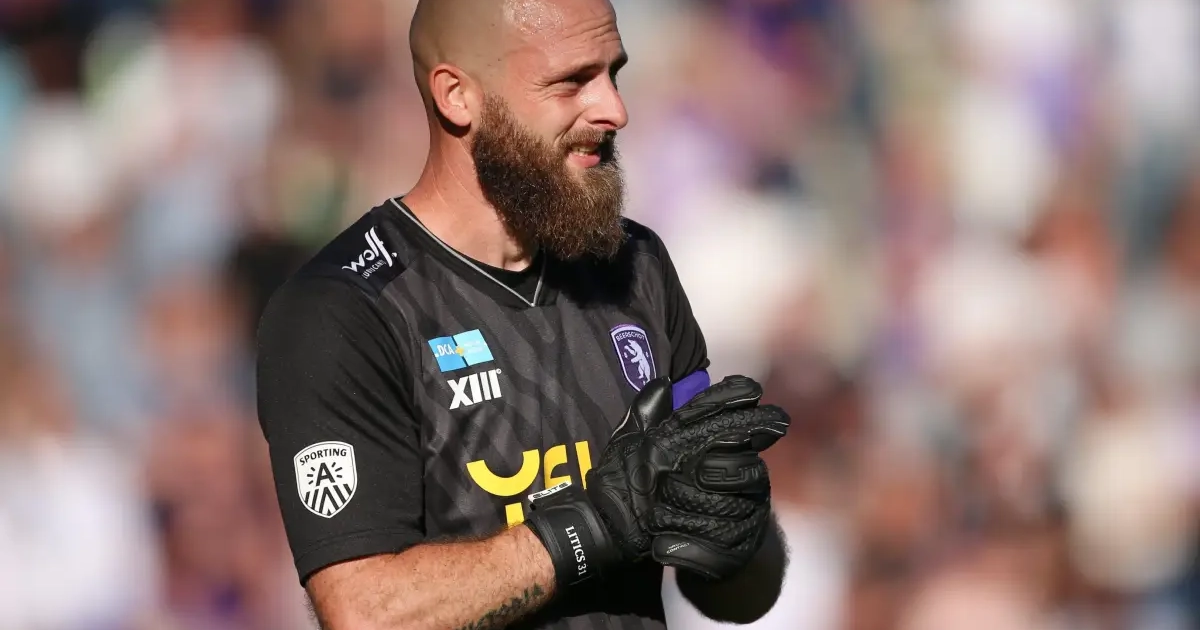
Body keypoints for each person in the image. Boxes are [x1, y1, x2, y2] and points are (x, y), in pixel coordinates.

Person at [254, 0, 791, 627]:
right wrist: (598, 523)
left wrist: (738, 529)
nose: (614, 109)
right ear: (457, 97)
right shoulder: (343, 312)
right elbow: (367, 614)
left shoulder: (636, 267)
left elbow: (739, 596)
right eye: (571, 81)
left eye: (612, 73)